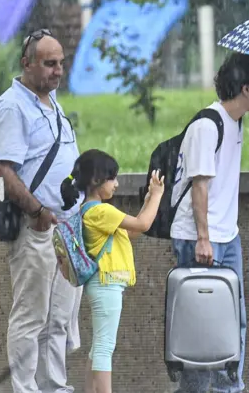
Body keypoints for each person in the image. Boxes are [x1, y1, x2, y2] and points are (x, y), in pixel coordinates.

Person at [169, 52, 249, 393]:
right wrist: (203, 238)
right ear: (245, 87)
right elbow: (200, 186)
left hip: (227, 239)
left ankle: (230, 388)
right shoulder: (207, 124)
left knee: (232, 323)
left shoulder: (236, 122)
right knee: (201, 329)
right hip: (200, 239)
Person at [0, 29, 82, 393]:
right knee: (31, 317)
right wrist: (38, 211)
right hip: (38, 228)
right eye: (49, 64)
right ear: (26, 64)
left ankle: (55, 387)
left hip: (67, 228)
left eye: (60, 63)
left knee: (59, 319)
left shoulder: (51, 101)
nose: (57, 71)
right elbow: (1, 170)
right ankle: (25, 390)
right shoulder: (13, 107)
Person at [58, 149, 165, 393]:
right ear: (96, 180)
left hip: (103, 284)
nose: (117, 184)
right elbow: (144, 224)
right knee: (105, 346)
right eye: (112, 178)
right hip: (106, 284)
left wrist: (148, 200)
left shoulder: (94, 211)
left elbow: (132, 232)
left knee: (99, 346)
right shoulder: (100, 211)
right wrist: (158, 195)